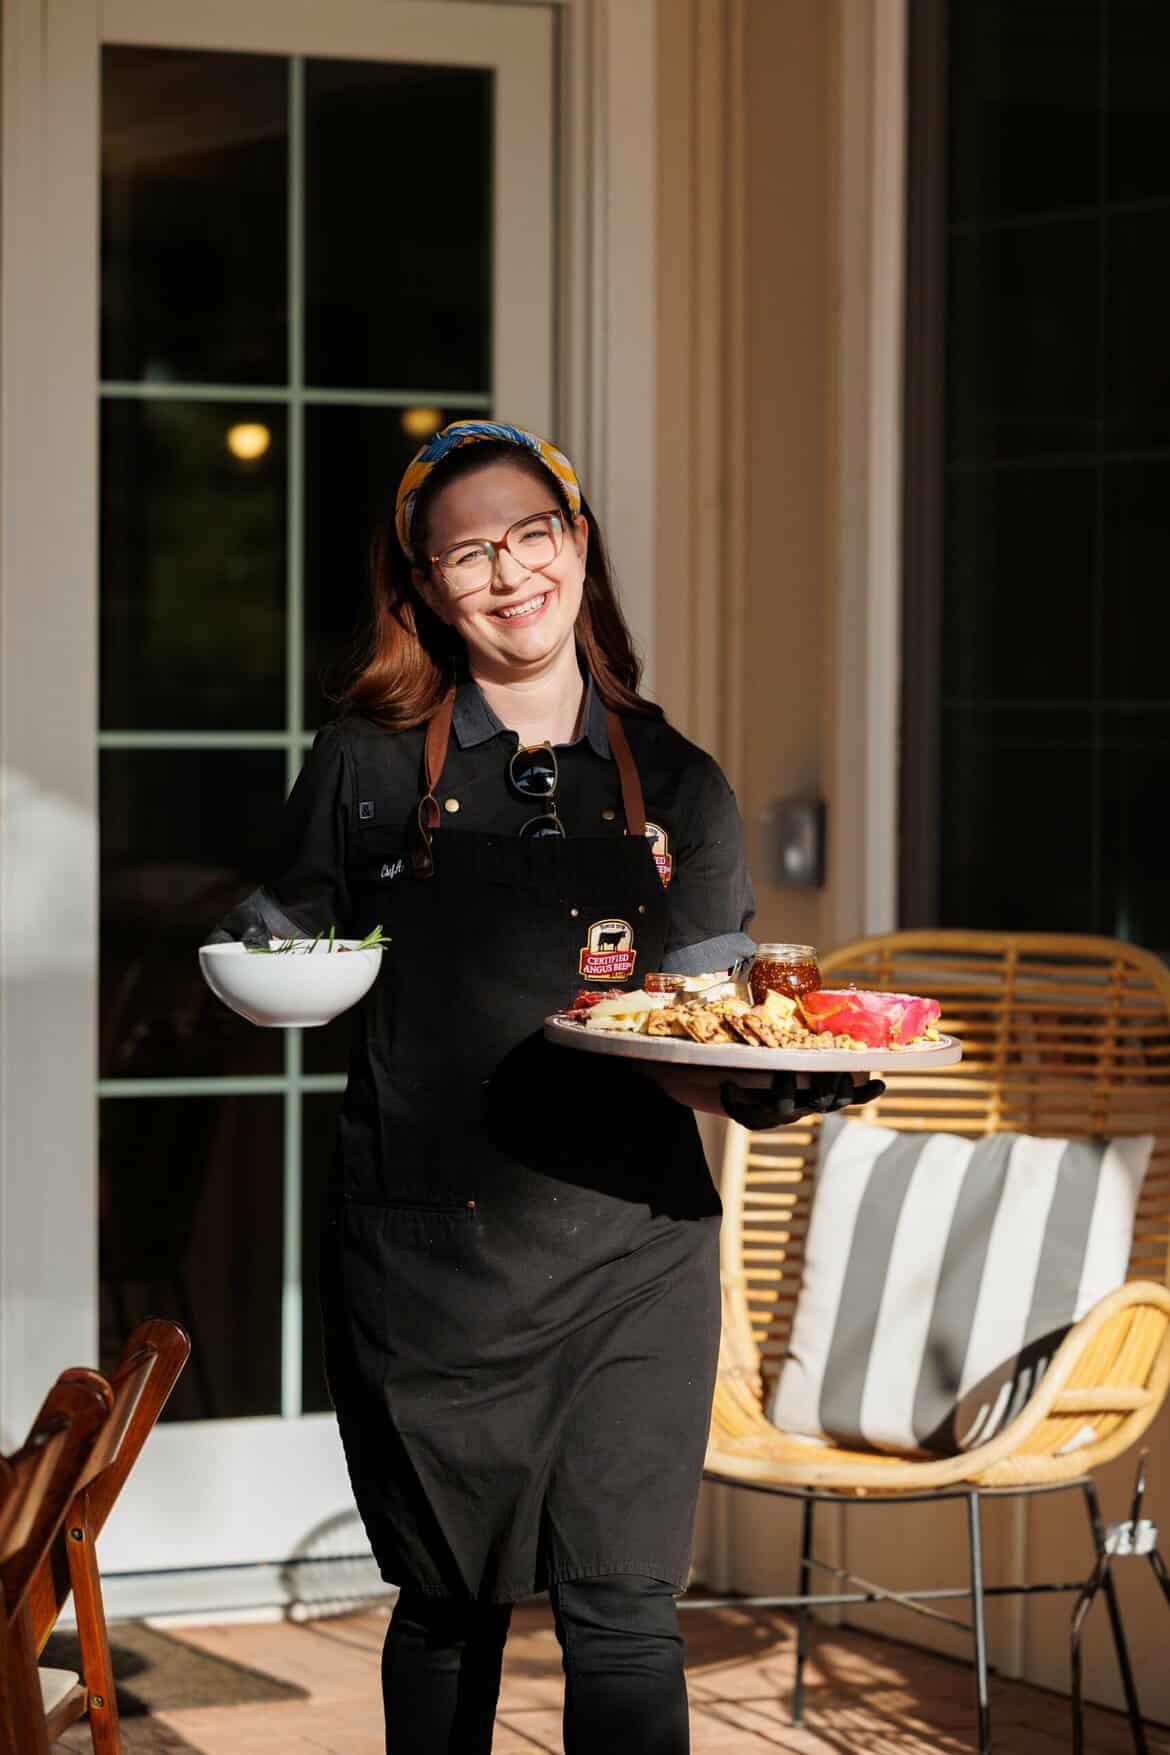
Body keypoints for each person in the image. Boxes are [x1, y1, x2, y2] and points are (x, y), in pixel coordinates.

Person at [211, 420, 882, 1753]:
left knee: (626, 1615)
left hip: (634, 1255)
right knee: (449, 1605)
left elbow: (706, 1020)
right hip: (425, 1260)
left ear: (577, 547)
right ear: (424, 587)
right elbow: (288, 927)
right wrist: (258, 948)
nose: (508, 573)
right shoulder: (364, 760)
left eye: (531, 535)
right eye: (469, 551)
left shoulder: (674, 782)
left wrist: (776, 1083)